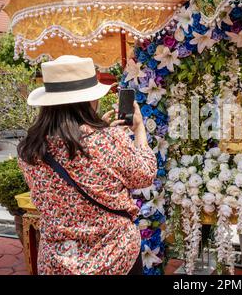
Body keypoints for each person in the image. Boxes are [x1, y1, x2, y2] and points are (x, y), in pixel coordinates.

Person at [17, 55, 157, 275]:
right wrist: (138, 130)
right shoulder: (108, 140)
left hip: (57, 261)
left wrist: (106, 134)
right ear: (90, 99)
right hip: (114, 256)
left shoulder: (29, 148)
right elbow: (145, 175)